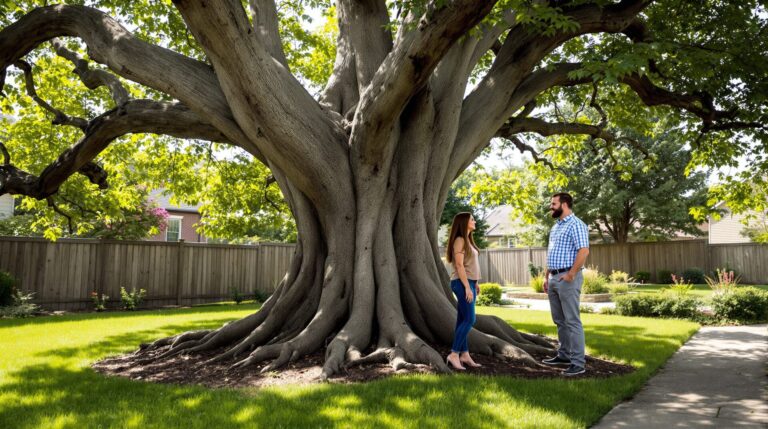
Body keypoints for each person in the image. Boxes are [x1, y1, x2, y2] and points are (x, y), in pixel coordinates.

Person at [542, 192, 590, 376]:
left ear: (564, 204)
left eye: (553, 204)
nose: (551, 206)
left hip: (568, 277)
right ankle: (564, 355)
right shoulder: (556, 226)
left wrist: (571, 274)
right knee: (560, 321)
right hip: (553, 278)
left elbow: (583, 251)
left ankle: (578, 363)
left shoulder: (576, 224)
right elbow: (552, 252)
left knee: (572, 321)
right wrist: (546, 276)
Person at [445, 212, 483, 370]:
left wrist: (475, 283)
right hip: (461, 283)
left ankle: (465, 354)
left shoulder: (468, 240)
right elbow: (459, 265)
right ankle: (454, 354)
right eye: (472, 219)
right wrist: (467, 287)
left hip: (469, 283)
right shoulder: (459, 240)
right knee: (469, 319)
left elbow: (469, 264)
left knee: (462, 320)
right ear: (464, 222)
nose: (474, 221)